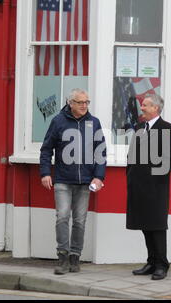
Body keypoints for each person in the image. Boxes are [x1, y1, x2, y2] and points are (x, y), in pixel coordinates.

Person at [40, 89, 106, 275]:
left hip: (85, 181)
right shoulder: (58, 121)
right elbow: (46, 150)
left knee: (80, 221)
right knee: (62, 217)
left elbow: (100, 152)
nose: (84, 105)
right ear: (71, 103)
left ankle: (75, 257)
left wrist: (99, 177)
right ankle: (62, 257)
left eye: (87, 102)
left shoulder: (94, 123)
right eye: (80, 102)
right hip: (62, 180)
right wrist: (45, 173)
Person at [126, 94, 171, 280]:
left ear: (155, 108)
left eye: (145, 105)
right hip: (138, 186)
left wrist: (154, 178)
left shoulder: (167, 129)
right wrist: (130, 175)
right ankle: (151, 262)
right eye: (142, 105)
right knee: (145, 225)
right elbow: (131, 155)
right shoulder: (140, 128)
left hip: (156, 188)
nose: (142, 108)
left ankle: (162, 265)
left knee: (156, 226)